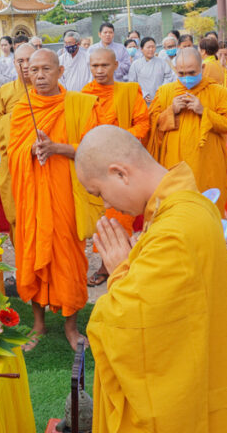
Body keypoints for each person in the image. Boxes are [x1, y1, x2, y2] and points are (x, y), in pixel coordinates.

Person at [75, 126, 227, 433]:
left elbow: (132, 326)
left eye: (99, 192)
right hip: (204, 373)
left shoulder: (174, 231)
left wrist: (119, 271)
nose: (106, 205)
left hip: (182, 407)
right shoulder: (189, 204)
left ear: (120, 173)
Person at [8, 49, 102, 351]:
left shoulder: (79, 105)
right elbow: (12, 155)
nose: (39, 75)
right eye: (33, 70)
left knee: (69, 258)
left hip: (67, 197)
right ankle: (38, 324)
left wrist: (58, 148)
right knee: (33, 255)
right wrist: (31, 151)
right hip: (33, 199)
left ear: (60, 71)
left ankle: (71, 327)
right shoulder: (23, 109)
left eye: (45, 69)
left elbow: (95, 149)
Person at [82, 46, 151, 287]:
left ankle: (114, 264)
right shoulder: (84, 96)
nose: (99, 70)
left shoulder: (130, 91)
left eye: (104, 65)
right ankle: (107, 261)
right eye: (94, 66)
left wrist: (116, 139)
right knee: (100, 217)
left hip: (124, 164)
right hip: (97, 165)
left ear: (115, 66)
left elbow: (143, 124)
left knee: (121, 215)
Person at [148, 48, 227, 213]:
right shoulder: (165, 92)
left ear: (202, 69)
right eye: (181, 73)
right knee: (176, 212)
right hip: (174, 165)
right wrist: (171, 110)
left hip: (207, 165)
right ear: (175, 70)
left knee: (207, 211)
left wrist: (204, 112)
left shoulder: (217, 92)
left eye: (192, 72)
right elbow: (153, 125)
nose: (186, 78)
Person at [0, 43, 37, 233]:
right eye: (20, 61)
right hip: (13, 162)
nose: (25, 65)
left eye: (29, 60)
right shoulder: (6, 91)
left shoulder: (51, 90)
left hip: (41, 161)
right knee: (17, 216)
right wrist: (17, 118)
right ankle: (23, 260)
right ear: (14, 64)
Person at [128, 37, 175, 104]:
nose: (151, 49)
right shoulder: (135, 64)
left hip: (160, 98)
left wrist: (162, 90)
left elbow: (169, 77)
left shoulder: (162, 62)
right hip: (142, 100)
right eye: (148, 47)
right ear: (141, 49)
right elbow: (132, 83)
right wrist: (143, 93)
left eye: (153, 47)